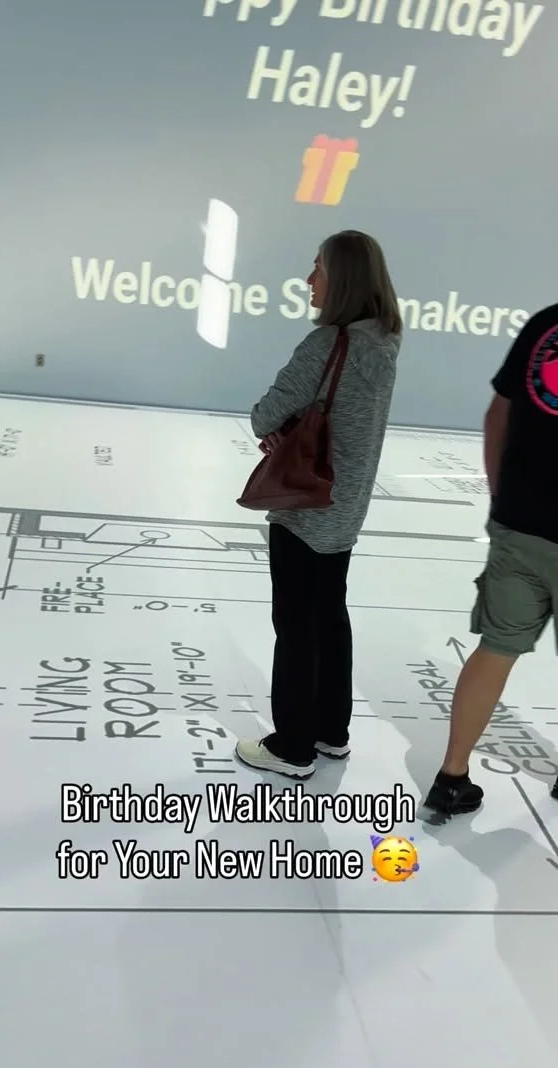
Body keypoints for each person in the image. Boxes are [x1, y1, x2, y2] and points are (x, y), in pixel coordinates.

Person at [235, 230, 402, 780]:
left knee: (296, 627)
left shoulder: (326, 344)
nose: (309, 280)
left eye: (318, 270)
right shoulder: (384, 343)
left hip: (306, 505)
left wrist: (278, 427)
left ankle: (292, 747)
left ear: (343, 280)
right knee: (330, 618)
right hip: (347, 507)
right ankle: (332, 732)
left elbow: (264, 415)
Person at [424, 303, 558, 815]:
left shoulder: (547, 323)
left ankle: (451, 776)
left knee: (495, 649)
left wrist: (503, 498)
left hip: (519, 526)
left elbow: (496, 414)